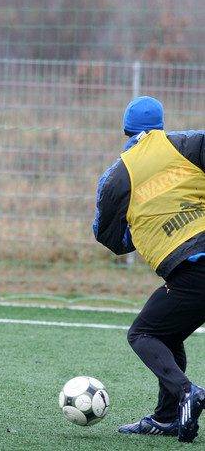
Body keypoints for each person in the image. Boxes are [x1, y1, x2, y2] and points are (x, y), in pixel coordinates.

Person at [94, 96, 205, 443]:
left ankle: (188, 393)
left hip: (193, 271)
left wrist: (142, 231)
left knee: (143, 334)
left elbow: (109, 237)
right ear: (160, 125)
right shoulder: (190, 144)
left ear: (125, 129)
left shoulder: (116, 176)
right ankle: (167, 417)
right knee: (168, 333)